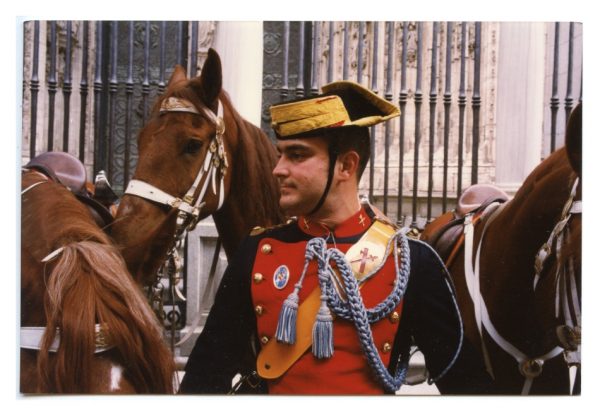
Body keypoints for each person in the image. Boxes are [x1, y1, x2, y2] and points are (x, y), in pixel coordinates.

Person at [179, 81, 494, 394]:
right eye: (280, 155)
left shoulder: (411, 261)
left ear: (346, 165)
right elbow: (206, 377)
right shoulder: (257, 251)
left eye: (297, 155)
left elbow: (466, 386)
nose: (278, 169)